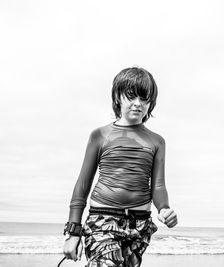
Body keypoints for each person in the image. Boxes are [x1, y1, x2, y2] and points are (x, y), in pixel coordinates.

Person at [62, 67, 178, 267]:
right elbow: (82, 185)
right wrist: (73, 231)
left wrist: (164, 209)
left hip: (139, 225)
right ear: (117, 97)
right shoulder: (100, 135)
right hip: (102, 221)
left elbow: (158, 185)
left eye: (144, 99)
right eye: (131, 97)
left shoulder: (157, 141)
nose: (138, 104)